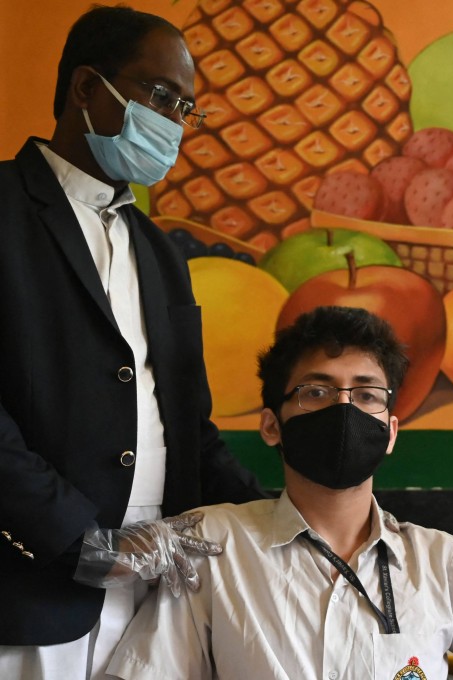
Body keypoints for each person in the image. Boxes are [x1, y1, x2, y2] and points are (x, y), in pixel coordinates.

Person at [0, 5, 266, 678]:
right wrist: (82, 544)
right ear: (87, 88)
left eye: (186, 109)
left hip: (162, 595)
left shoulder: (160, 252)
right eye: (161, 95)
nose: (174, 122)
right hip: (29, 589)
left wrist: (285, 519)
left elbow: (190, 428)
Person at [108, 305, 453, 680]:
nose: (343, 407)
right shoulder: (209, 546)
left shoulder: (444, 563)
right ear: (271, 425)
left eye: (367, 395)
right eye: (316, 391)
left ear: (390, 432)